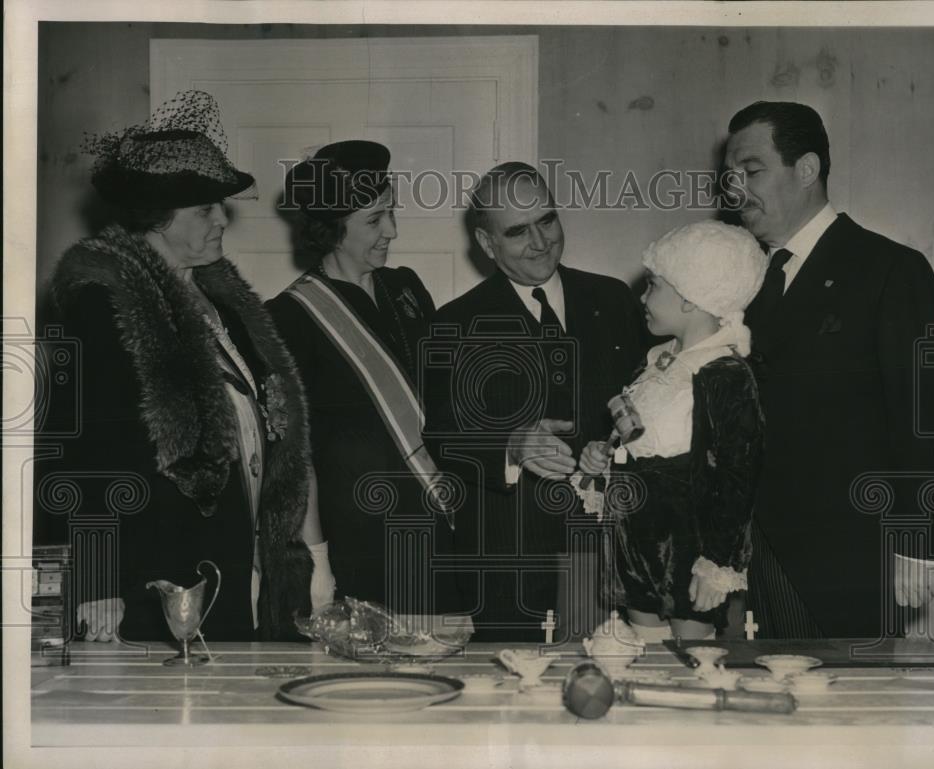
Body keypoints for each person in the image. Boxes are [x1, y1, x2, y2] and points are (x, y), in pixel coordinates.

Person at [46, 90, 335, 642]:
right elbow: (81, 450)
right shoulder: (102, 305)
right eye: (205, 209)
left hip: (234, 558)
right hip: (155, 569)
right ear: (158, 220)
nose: (222, 220)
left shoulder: (221, 300)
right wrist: (97, 578)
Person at [723, 100, 934, 638]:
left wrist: (920, 543)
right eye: (730, 176)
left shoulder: (887, 270)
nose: (735, 189)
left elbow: (933, 415)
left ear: (806, 170)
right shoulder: (742, 283)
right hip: (754, 556)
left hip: (850, 559)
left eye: (751, 171)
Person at [422, 162, 647, 641]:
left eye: (547, 220)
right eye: (518, 231)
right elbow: (441, 435)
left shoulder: (615, 299)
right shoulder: (454, 324)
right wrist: (512, 446)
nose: (540, 242)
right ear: (487, 245)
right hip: (509, 559)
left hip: (608, 555)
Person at [268, 140, 459, 624]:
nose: (391, 231)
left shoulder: (407, 288)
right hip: (361, 541)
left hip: (442, 523)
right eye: (374, 221)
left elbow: (444, 403)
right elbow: (295, 456)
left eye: (391, 214)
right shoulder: (288, 318)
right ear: (332, 230)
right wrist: (317, 560)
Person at [578, 220, 767, 642]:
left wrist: (717, 561)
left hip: (687, 545)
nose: (642, 297)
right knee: (642, 660)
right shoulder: (655, 363)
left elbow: (738, 475)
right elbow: (636, 439)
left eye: (653, 286)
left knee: (690, 663)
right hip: (637, 540)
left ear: (689, 298)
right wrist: (599, 457)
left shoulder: (723, 373)